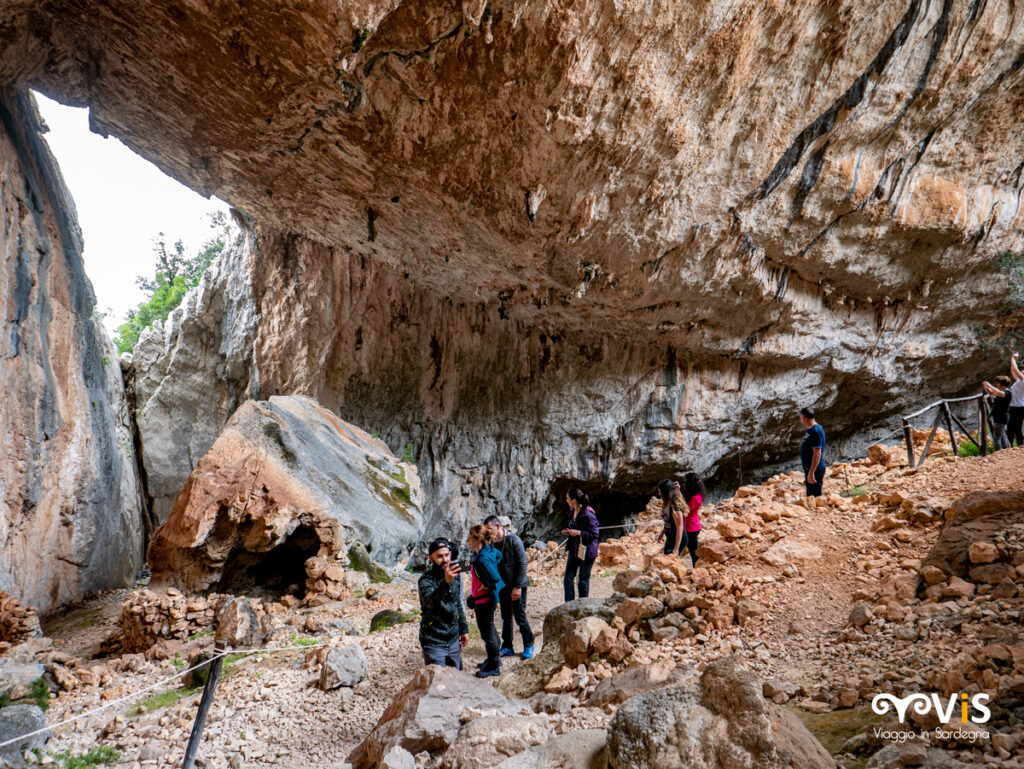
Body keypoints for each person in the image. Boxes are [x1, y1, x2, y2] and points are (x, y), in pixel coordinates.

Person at [484, 515, 536, 660]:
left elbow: (523, 563)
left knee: (519, 615)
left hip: (517, 584)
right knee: (506, 616)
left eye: (490, 529)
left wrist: (518, 586)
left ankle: (529, 643)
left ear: (498, 526)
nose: (488, 532)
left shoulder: (514, 540)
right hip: (503, 585)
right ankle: (507, 646)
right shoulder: (491, 543)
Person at [417, 537, 469, 669]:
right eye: (439, 556)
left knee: (456, 679)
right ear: (431, 558)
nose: (445, 560)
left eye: (447, 555)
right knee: (438, 683)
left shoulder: (455, 575)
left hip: (453, 639)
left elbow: (458, 603)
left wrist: (464, 629)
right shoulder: (425, 580)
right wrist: (445, 582)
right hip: (433, 640)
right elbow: (430, 602)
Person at [466, 524, 504, 678]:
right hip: (487, 599)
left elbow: (494, 577)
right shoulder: (487, 551)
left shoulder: (481, 559)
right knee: (490, 630)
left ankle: (493, 666)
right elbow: (498, 555)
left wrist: (485, 586)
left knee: (487, 633)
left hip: (484, 601)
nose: (467, 540)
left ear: (477, 539)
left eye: (469, 537)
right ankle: (494, 659)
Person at [658, 474, 705, 567]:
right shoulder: (669, 503)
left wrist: (676, 548)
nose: (658, 493)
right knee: (689, 551)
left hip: (690, 527)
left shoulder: (676, 506)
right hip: (684, 528)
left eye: (659, 491)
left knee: (692, 552)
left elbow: (681, 520)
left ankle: (695, 570)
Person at [562, 489, 599, 602]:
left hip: (586, 551)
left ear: (574, 500)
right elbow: (575, 526)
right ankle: (569, 605)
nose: (566, 500)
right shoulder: (572, 511)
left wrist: (578, 533)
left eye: (568, 498)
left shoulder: (588, 514)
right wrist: (569, 531)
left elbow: (594, 533)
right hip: (574, 549)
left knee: (582, 581)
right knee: (568, 578)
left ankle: (583, 605)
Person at [799, 407, 827, 498]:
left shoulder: (815, 431)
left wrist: (811, 472)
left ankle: (818, 511)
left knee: (814, 497)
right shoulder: (813, 430)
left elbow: (817, 453)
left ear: (804, 417)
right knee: (811, 495)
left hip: (815, 469)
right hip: (811, 468)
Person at [982, 376, 1013, 450]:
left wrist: (989, 385)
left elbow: (998, 392)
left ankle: (998, 452)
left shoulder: (1007, 393)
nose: (995, 385)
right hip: (1000, 417)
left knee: (996, 437)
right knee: (1002, 435)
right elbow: (991, 393)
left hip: (1001, 417)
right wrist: (985, 386)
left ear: (999, 384)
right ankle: (1006, 449)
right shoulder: (1003, 393)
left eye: (996, 383)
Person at [1009, 353, 1024, 447]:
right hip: (1016, 406)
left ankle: (1010, 446)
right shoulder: (1020, 380)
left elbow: (1016, 370)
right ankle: (1019, 444)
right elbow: (1013, 372)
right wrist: (1012, 361)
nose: (1022, 370)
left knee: (1012, 427)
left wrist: (1013, 358)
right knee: (1016, 428)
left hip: (1018, 407)